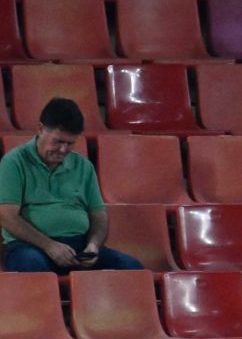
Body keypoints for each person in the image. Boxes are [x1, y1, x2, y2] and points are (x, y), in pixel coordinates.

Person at [0, 99, 143, 273]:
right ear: (40, 129)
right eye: (57, 142)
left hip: (78, 246)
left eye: (70, 144)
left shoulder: (83, 166)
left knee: (131, 268)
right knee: (32, 265)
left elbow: (98, 215)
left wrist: (93, 246)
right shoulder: (14, 162)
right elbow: (7, 217)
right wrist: (49, 246)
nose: (62, 150)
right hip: (29, 246)